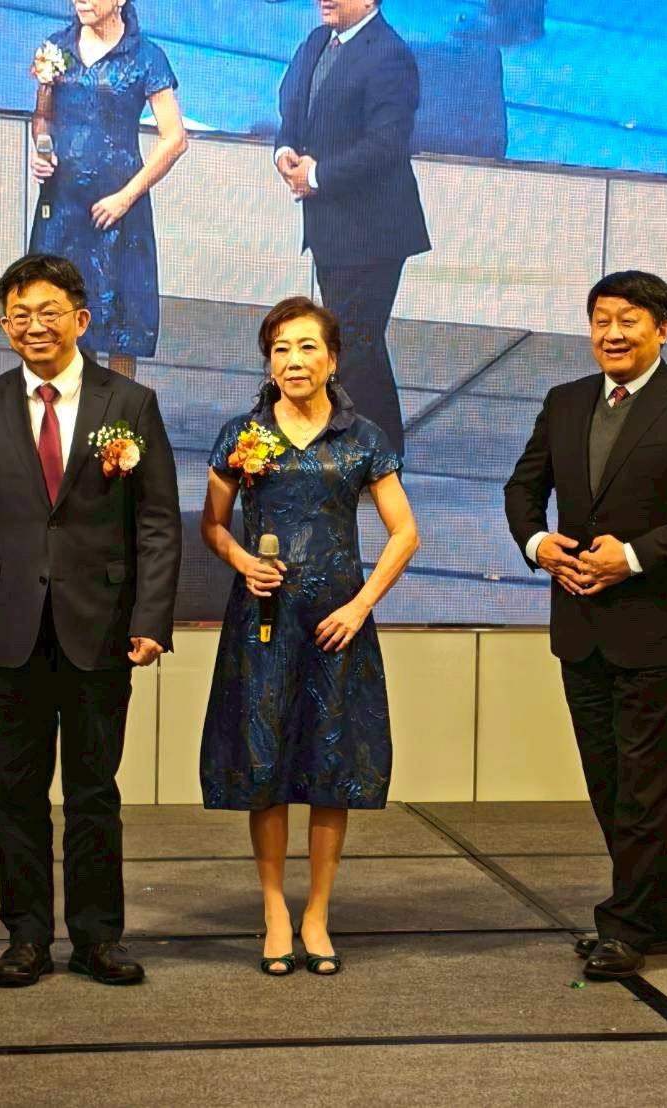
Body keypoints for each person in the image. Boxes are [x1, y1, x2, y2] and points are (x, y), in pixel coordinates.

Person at [0, 253, 180, 988]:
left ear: (81, 319)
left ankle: (98, 937)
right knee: (17, 791)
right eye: (19, 315)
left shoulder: (129, 404)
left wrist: (152, 617)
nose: (33, 325)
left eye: (47, 312)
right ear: (5, 326)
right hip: (9, 627)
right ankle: (26, 937)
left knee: (94, 791)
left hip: (99, 625)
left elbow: (158, 523)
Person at [503, 271, 667, 980]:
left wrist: (632, 557)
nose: (611, 333)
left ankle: (625, 927)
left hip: (662, 627)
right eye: (600, 320)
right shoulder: (565, 400)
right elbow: (523, 487)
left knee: (644, 783)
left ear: (662, 329)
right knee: (609, 781)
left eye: (628, 320)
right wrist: (538, 545)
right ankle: (653, 917)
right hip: (580, 621)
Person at [199, 296, 419, 976]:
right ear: (268, 362)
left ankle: (317, 913)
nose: (293, 360)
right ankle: (274, 909)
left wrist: (360, 606)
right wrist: (242, 561)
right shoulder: (243, 434)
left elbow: (405, 534)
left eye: (306, 347)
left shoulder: (363, 438)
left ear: (332, 358)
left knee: (330, 766)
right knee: (264, 765)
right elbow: (212, 525)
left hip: (334, 625)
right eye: (280, 349)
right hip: (263, 624)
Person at [274, 0, 430, 457]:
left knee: (355, 345)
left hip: (373, 231)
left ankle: (378, 456)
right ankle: (371, 453)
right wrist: (285, 150)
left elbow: (386, 143)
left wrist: (318, 175)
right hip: (330, 228)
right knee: (355, 344)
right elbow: (293, 110)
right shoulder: (317, 43)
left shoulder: (389, 55)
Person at [28, 0, 187, 379]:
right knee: (62, 318)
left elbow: (175, 138)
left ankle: (118, 414)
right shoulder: (56, 48)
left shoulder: (146, 56)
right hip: (63, 208)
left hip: (118, 210)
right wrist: (43, 150)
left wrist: (126, 197)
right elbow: (43, 117)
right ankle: (73, 410)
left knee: (121, 326)